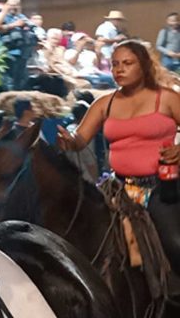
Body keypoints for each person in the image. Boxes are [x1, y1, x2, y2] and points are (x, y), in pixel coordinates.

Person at [57, 40, 180, 273]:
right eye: (114, 64)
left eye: (127, 63)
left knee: (175, 243)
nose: (119, 69)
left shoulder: (166, 98)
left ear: (143, 66)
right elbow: (79, 139)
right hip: (118, 188)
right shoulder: (105, 102)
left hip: (161, 187)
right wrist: (68, 142)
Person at [0, 0, 37, 90]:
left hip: (22, 54)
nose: (13, 7)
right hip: (9, 53)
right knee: (9, 82)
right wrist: (15, 24)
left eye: (16, 5)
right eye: (11, 5)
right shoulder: (2, 16)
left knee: (21, 82)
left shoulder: (21, 17)